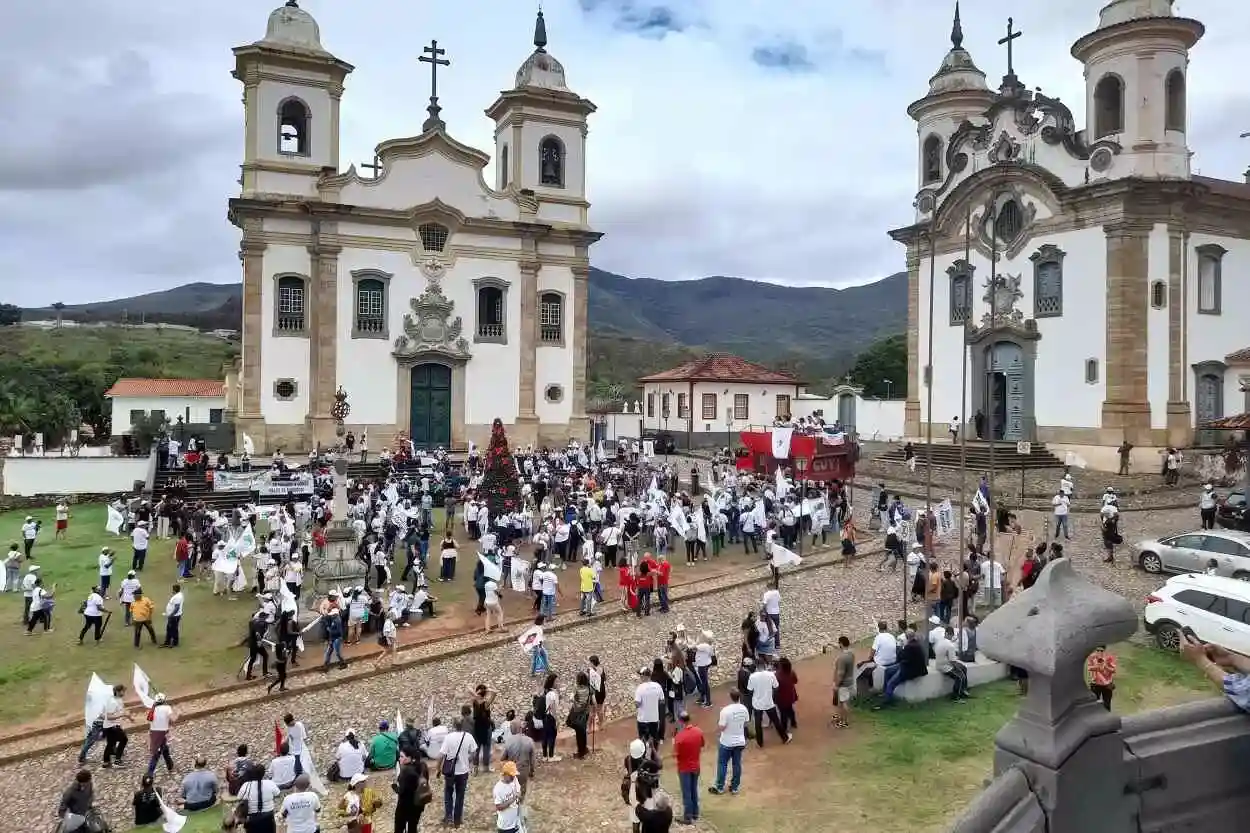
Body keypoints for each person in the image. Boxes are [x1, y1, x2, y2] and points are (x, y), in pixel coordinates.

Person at [437, 718, 478, 827]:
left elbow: (441, 755)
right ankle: (457, 819)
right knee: (460, 795)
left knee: (448, 793)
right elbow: (474, 752)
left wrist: (438, 769)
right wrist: (468, 760)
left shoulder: (449, 737)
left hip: (450, 771)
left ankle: (449, 816)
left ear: (453, 725)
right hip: (463, 771)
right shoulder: (468, 737)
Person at [671, 712, 703, 825]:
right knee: (694, 789)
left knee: (687, 793)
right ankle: (695, 812)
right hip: (696, 766)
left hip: (684, 768)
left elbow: (674, 754)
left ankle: (688, 817)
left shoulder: (679, 737)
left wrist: (673, 741)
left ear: (680, 721)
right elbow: (702, 744)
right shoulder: (698, 731)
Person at [392, 749, 430, 833]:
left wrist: (394, 787)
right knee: (412, 828)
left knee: (399, 828)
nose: (399, 758)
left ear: (410, 758)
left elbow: (401, 791)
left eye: (402, 756)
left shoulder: (406, 771)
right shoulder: (422, 767)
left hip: (405, 806)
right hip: (418, 805)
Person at [493, 761, 524, 833]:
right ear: (505, 774)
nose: (514, 777)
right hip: (505, 827)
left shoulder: (514, 780)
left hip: (516, 822)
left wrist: (518, 795)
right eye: (512, 775)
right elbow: (499, 807)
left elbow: (519, 791)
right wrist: (513, 798)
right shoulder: (498, 789)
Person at [831, 635, 854, 728]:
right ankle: (841, 717)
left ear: (841, 644)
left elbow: (840, 673)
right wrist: (830, 644)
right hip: (849, 681)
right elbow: (841, 649)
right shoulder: (851, 654)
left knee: (843, 702)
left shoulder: (842, 658)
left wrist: (836, 685)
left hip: (843, 683)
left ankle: (844, 721)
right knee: (842, 701)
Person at [1087, 645, 1118, 710]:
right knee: (1095, 703)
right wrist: (1098, 667)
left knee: (1107, 704)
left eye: (1101, 651)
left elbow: (1114, 670)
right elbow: (1089, 668)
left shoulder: (1109, 658)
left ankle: (1106, 715)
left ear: (1104, 651)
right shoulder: (1092, 657)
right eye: (1097, 650)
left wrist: (1105, 667)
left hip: (1107, 684)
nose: (1099, 652)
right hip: (1095, 683)